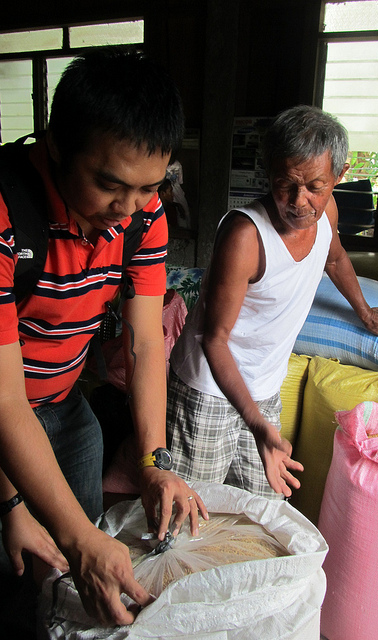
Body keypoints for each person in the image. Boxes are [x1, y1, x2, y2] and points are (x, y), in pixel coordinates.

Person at [0, 47, 207, 628]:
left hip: (65, 411)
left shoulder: (143, 216)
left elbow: (145, 343)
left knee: (75, 572)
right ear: (56, 146)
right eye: (110, 185)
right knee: (19, 569)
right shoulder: (5, 216)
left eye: (147, 187)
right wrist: (14, 502)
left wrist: (154, 459)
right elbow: (3, 401)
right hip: (6, 412)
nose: (126, 210)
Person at [166, 105, 378, 499]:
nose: (299, 201)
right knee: (194, 510)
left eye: (314, 186)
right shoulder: (245, 235)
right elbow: (214, 340)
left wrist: (366, 314)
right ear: (269, 173)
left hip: (264, 388)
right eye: (285, 184)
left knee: (264, 508)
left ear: (339, 176)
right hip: (207, 391)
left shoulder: (326, 211)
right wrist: (258, 424)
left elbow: (335, 258)